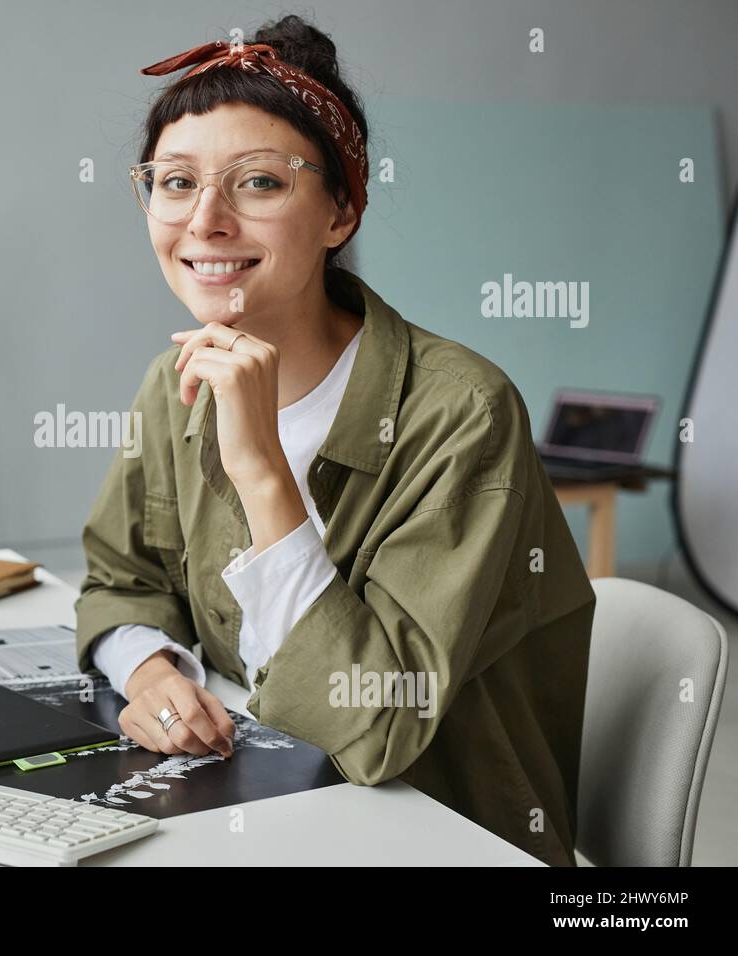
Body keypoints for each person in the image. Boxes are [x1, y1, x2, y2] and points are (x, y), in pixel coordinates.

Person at [74, 14, 596, 867]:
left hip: (435, 835)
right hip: (264, 808)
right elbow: (120, 577)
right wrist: (153, 673)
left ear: (340, 212)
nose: (204, 221)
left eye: (260, 184)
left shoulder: (462, 412)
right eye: (175, 182)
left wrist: (260, 470)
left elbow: (379, 726)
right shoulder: (173, 386)